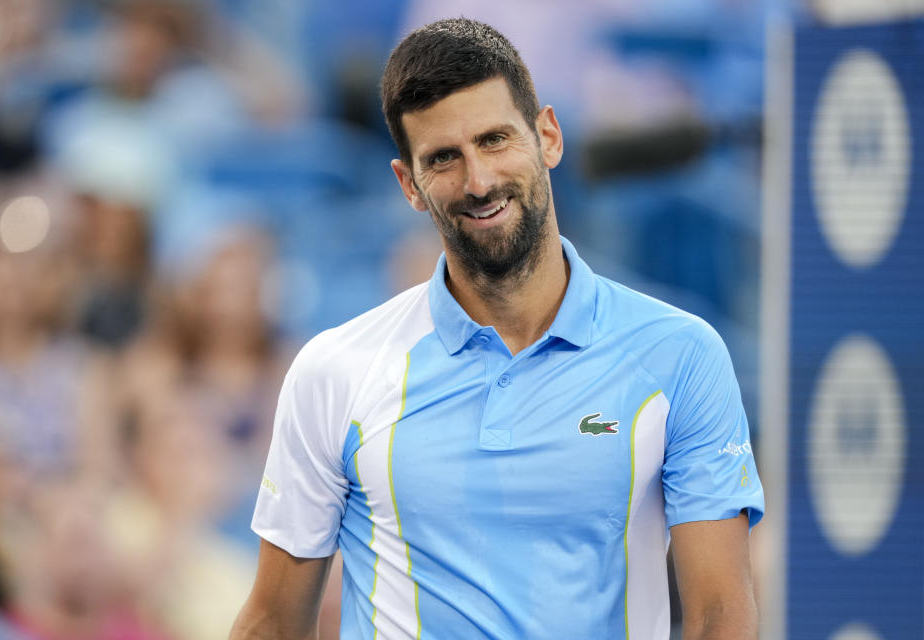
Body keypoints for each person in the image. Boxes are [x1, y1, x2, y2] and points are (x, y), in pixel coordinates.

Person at [230, 18, 763, 640]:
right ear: (409, 186)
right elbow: (271, 621)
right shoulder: (334, 370)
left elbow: (720, 617)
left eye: (494, 140)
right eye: (444, 159)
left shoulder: (683, 355)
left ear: (549, 136)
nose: (478, 181)